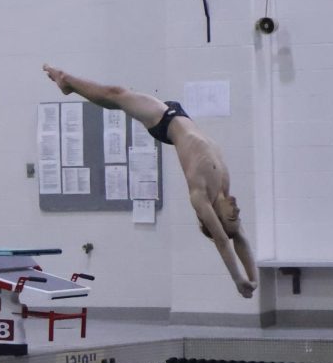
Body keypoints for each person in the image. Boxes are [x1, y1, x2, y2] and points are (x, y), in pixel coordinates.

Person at [43, 64, 258, 298]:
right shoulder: (223, 191)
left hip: (164, 123)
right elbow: (239, 238)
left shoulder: (200, 193)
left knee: (117, 94)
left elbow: (222, 240)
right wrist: (253, 279)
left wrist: (238, 280)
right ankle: (69, 84)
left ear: (215, 216)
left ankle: (67, 83)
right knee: (118, 96)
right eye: (238, 214)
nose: (236, 207)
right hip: (180, 116)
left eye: (232, 215)